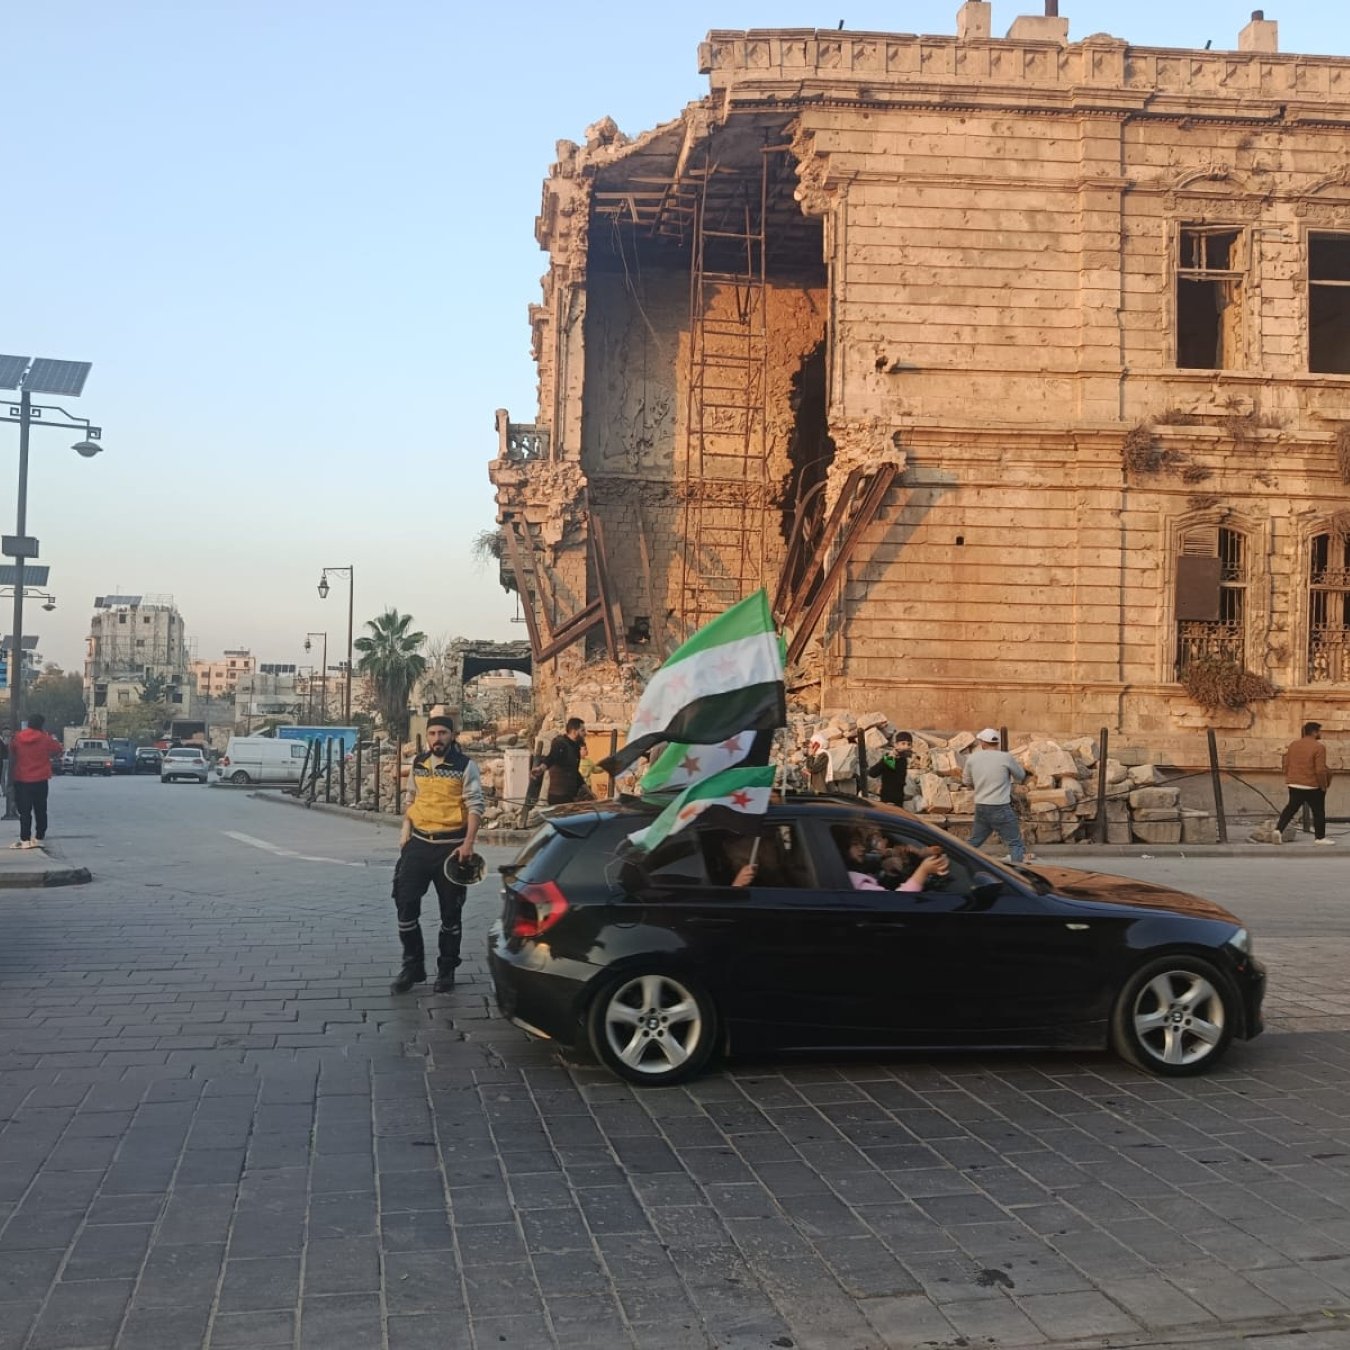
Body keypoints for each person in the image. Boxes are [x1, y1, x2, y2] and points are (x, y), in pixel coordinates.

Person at [391, 711, 483, 994]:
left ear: (451, 736)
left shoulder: (465, 766)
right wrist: (406, 827)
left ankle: (446, 970)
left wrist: (468, 844)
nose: (437, 738)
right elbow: (410, 799)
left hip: (451, 847)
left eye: (442, 733)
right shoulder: (418, 763)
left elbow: (475, 806)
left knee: (450, 913)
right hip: (418, 845)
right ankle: (413, 965)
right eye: (432, 734)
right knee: (405, 905)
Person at [962, 727, 1030, 864]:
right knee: (1015, 843)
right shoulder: (1005, 757)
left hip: (981, 806)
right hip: (1000, 806)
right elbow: (1020, 775)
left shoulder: (972, 758)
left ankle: (959, 862)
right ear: (997, 743)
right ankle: (1019, 876)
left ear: (983, 743)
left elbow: (966, 781)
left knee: (974, 841)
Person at [9, 714, 64, 850]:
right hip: (40, 779)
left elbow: (12, 750)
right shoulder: (45, 738)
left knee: (25, 811)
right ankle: (39, 837)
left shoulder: (18, 737)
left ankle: (25, 839)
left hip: (22, 778)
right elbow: (58, 749)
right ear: (41, 724)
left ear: (28, 724)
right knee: (40, 809)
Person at [1274, 721, 1334, 845]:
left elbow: (1285, 764)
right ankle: (1320, 838)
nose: (1320, 734)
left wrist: (1290, 777)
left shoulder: (1293, 745)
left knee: (1290, 809)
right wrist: (1323, 785)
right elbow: (1320, 770)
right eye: (1319, 731)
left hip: (1294, 783)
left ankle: (1278, 830)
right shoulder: (1319, 747)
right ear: (1314, 732)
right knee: (1318, 812)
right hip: (1312, 785)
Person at [532, 717, 587, 805]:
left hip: (569, 795)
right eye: (582, 730)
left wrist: (585, 787)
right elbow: (551, 757)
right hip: (558, 796)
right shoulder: (560, 744)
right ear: (574, 731)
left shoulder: (575, 747)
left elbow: (574, 771)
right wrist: (541, 768)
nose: (585, 733)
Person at [868, 731, 912, 807]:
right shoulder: (890, 758)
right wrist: (890, 758)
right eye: (903, 743)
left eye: (909, 744)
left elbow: (899, 780)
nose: (906, 747)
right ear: (896, 745)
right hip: (888, 800)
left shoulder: (903, 760)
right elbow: (873, 773)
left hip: (898, 801)